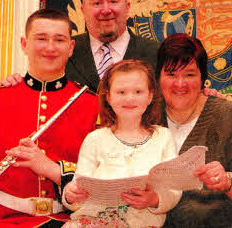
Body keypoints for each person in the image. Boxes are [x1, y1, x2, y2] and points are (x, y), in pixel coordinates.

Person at [0, 8, 99, 227]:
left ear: (71, 47)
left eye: (60, 40)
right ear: (24, 44)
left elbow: (105, 176)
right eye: (41, 38)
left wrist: (52, 169)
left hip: (72, 221)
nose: (50, 47)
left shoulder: (93, 105)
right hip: (5, 222)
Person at [155, 33, 232, 228]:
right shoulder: (145, 117)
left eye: (189, 74)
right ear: (158, 76)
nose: (180, 84)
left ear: (203, 78)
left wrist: (227, 181)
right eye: (171, 74)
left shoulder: (227, 116)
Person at [62, 59, 181, 227]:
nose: (130, 98)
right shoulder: (95, 139)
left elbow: (174, 188)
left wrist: (154, 199)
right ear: (109, 97)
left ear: (150, 96)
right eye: (121, 92)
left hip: (141, 223)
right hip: (91, 221)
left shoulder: (164, 137)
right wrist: (71, 195)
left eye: (138, 91)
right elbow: (79, 186)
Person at [0, 0, 159, 93]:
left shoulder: (157, 53)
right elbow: (39, 83)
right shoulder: (61, 49)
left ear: (127, 7)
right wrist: (16, 84)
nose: (105, 9)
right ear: (83, 11)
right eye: (96, 3)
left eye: (113, 1)